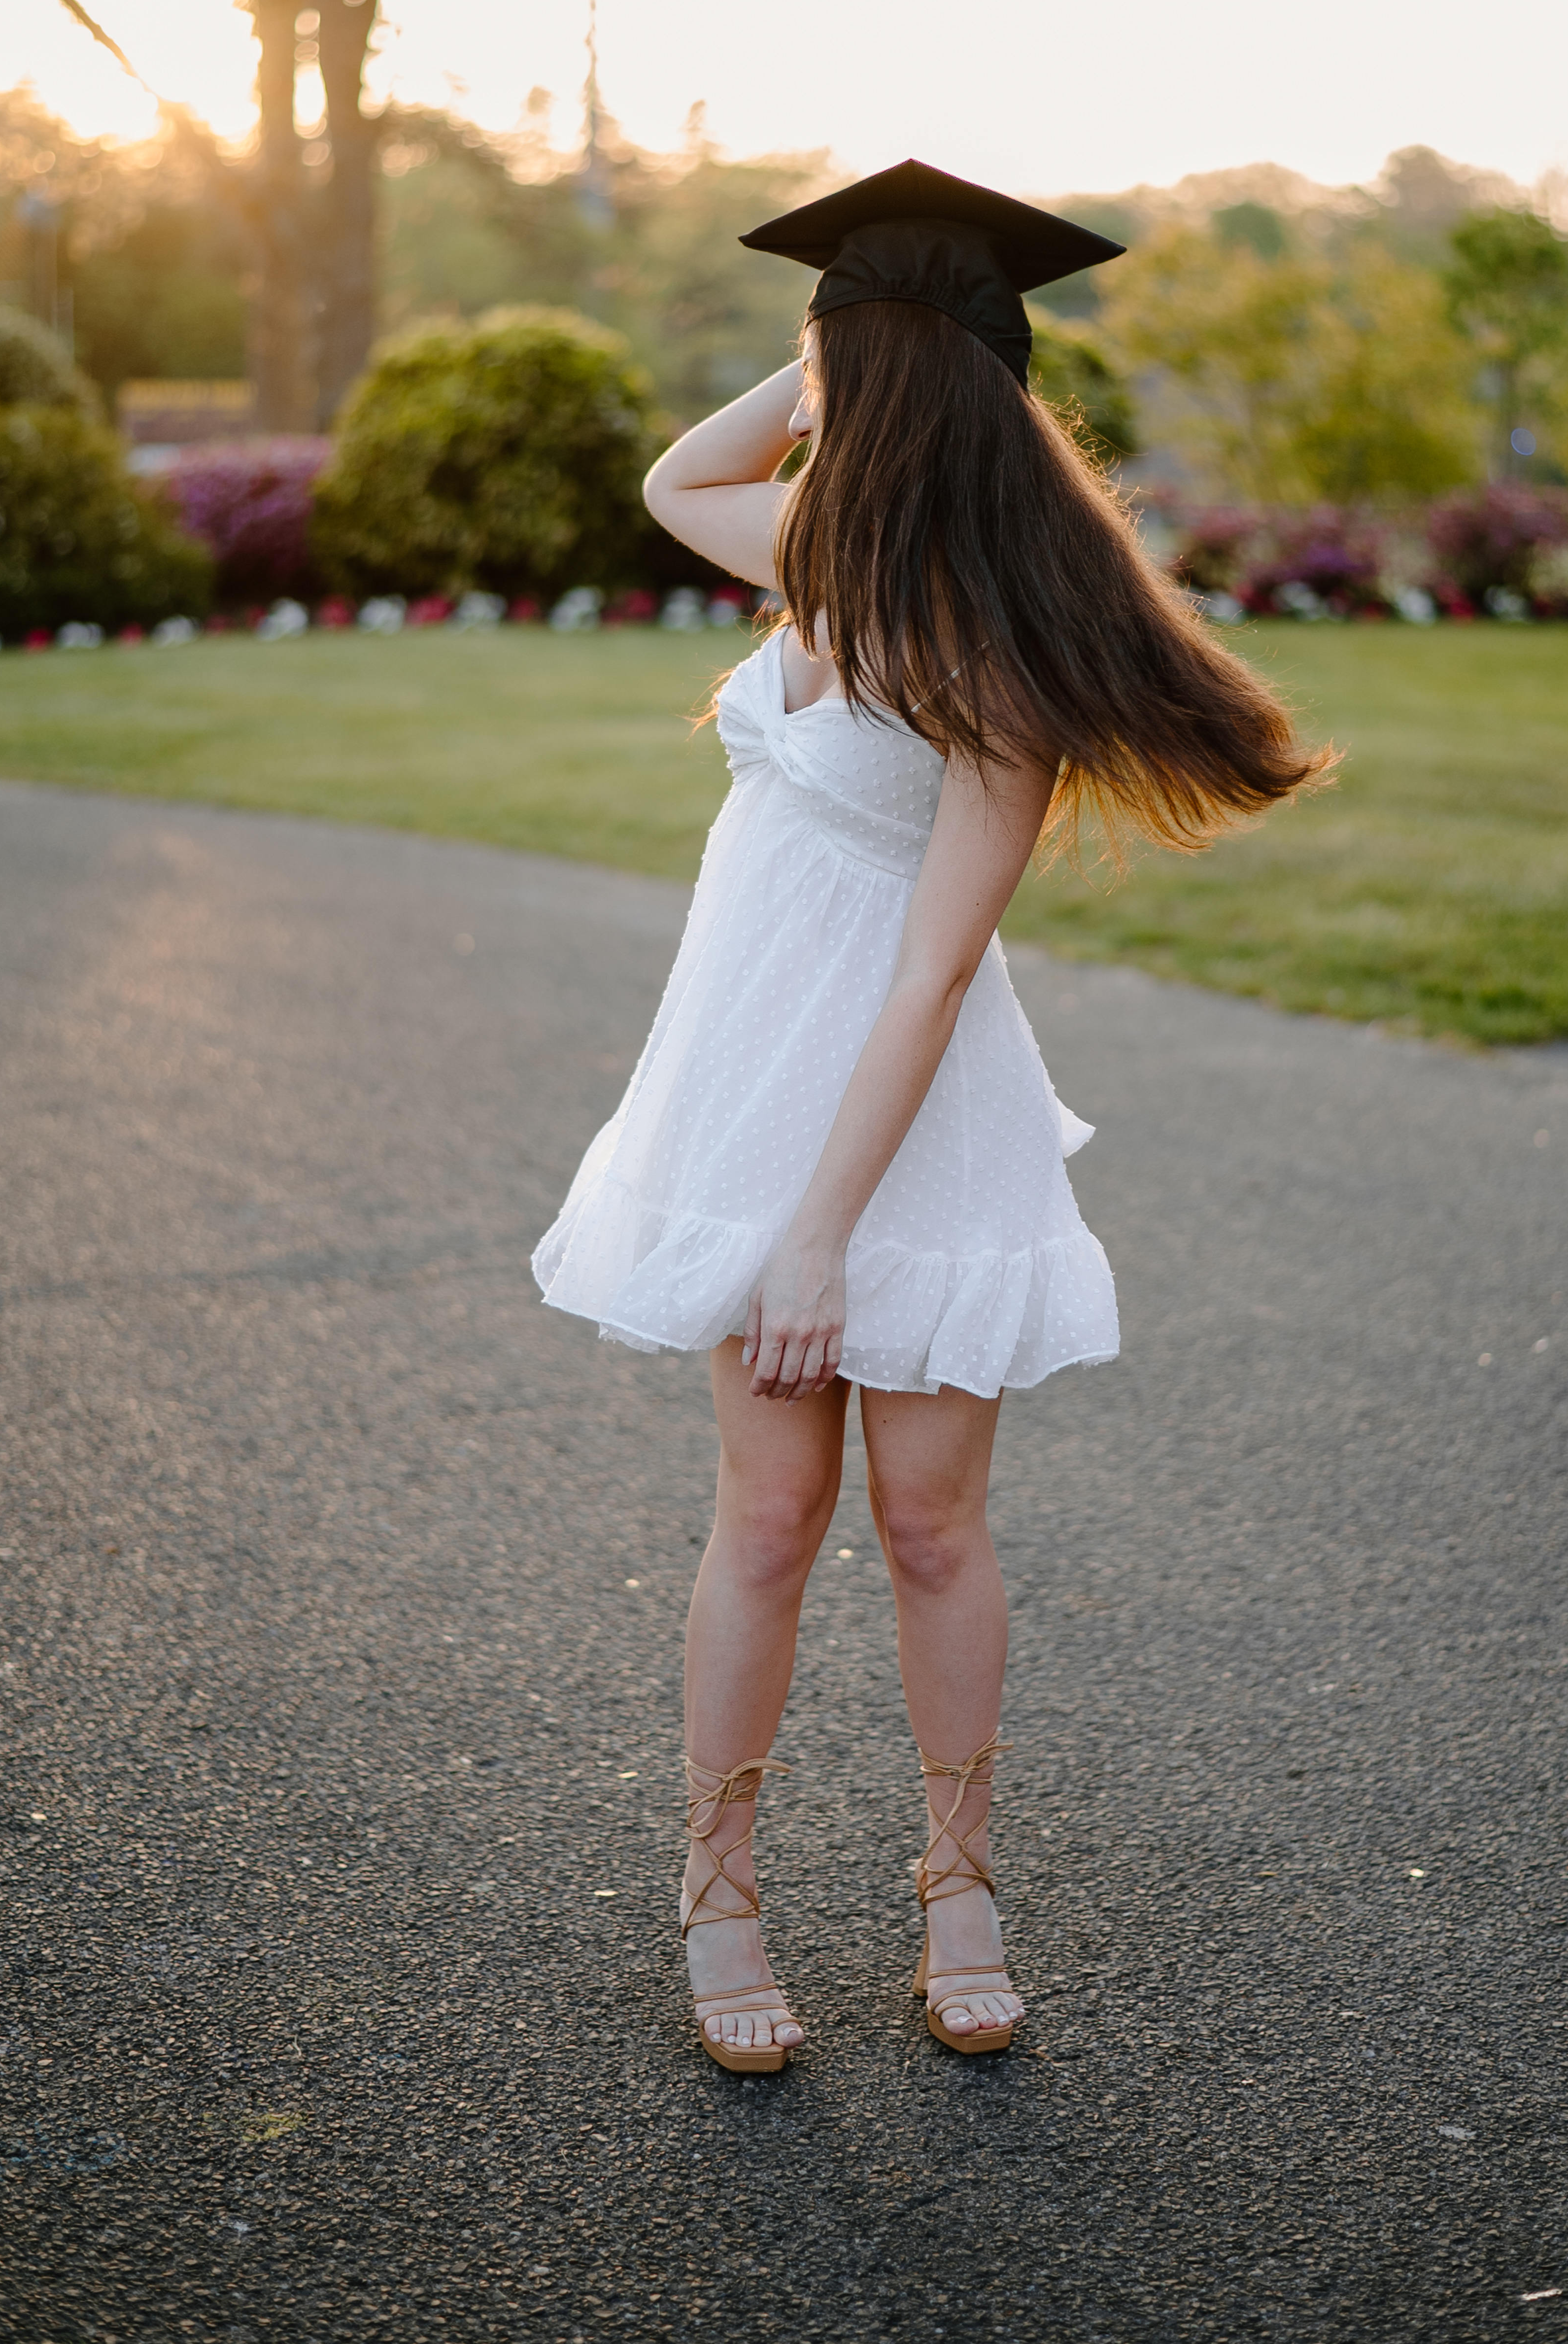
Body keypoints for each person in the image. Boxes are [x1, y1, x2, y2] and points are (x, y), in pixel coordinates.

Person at [533, 160, 1328, 2072]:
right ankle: (719, 1892)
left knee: (929, 1523)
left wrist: (820, 1237)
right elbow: (671, 487)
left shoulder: (993, 646)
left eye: (827, 360)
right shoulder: (813, 550)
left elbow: (930, 975)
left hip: (905, 1121)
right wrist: (820, 350)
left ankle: (954, 1884)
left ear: (887, 389)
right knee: (769, 1514)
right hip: (741, 1102)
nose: (802, 388)